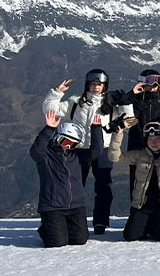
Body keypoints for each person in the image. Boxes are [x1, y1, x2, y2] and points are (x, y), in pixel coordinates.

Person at [42, 70, 131, 235]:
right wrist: (57, 92)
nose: (96, 88)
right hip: (79, 149)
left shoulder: (111, 104)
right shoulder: (76, 102)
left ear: (105, 86)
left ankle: (100, 222)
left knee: (104, 186)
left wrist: (126, 103)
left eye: (100, 84)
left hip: (103, 149)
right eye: (93, 84)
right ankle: (71, 221)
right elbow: (50, 110)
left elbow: (130, 121)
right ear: (87, 85)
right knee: (74, 185)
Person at [108, 119, 160, 242]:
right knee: (130, 236)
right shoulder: (140, 155)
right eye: (151, 139)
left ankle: (152, 225)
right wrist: (118, 134)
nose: (154, 143)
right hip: (142, 205)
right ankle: (146, 225)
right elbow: (114, 157)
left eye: (158, 139)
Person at [32, 110, 97, 248]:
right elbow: (36, 151)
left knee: (80, 239)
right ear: (57, 137)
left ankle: (60, 227)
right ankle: (46, 228)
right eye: (64, 140)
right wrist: (49, 128)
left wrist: (96, 129)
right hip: (53, 206)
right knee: (57, 243)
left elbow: (96, 152)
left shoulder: (77, 156)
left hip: (76, 205)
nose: (67, 146)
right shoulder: (46, 156)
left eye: (72, 144)